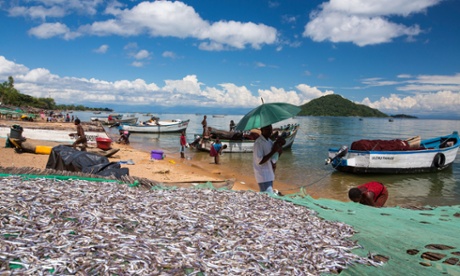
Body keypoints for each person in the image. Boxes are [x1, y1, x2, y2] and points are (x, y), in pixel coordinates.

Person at [252, 124, 283, 194]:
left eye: (270, 129)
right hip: (263, 175)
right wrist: (273, 151)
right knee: (268, 196)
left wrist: (280, 147)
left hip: (270, 174)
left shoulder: (269, 141)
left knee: (266, 196)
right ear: (262, 130)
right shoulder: (258, 143)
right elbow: (259, 161)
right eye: (267, 129)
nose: (270, 131)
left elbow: (273, 159)